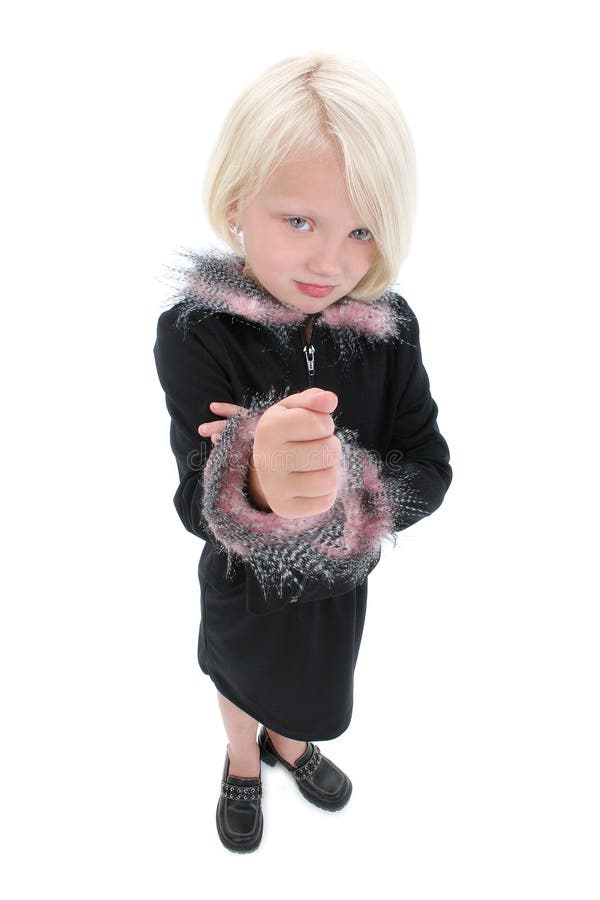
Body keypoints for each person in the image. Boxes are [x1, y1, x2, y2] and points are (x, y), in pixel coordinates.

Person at [153, 51, 452, 853]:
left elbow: (429, 465)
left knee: (312, 685)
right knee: (237, 672)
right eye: (299, 221)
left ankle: (290, 742)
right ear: (237, 202)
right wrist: (246, 478)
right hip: (242, 583)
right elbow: (192, 499)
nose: (331, 261)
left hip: (337, 587)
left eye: (362, 229)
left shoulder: (389, 330)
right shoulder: (195, 333)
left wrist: (346, 491)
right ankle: (243, 758)